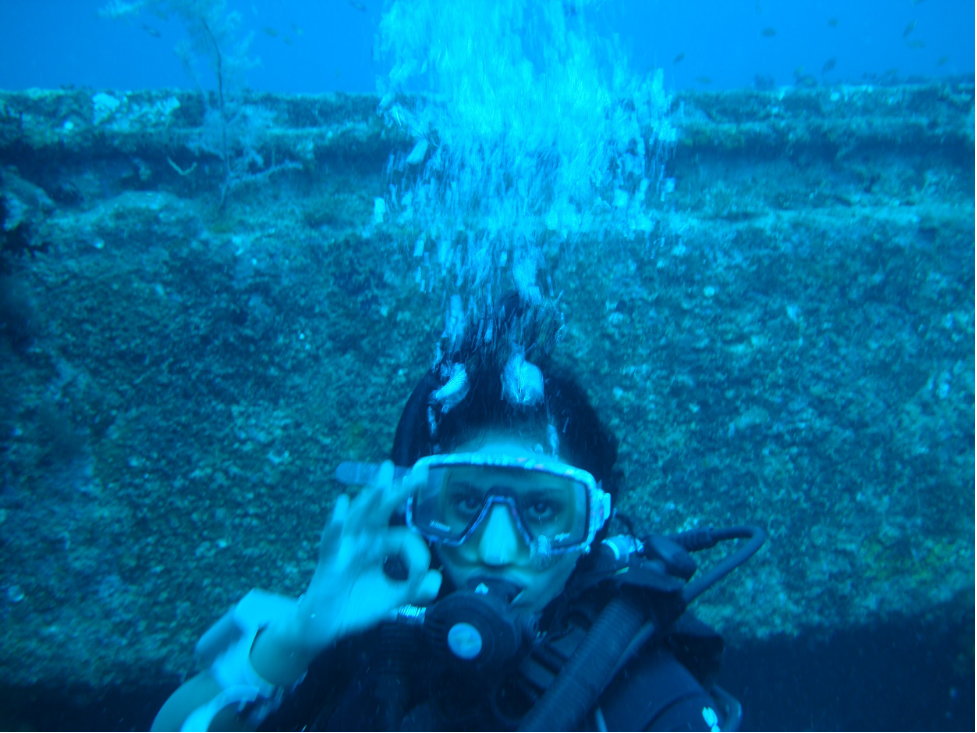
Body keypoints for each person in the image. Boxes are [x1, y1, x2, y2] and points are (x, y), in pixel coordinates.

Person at [152, 293, 761, 732]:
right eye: (464, 503)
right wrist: (295, 637)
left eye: (544, 510)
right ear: (415, 509)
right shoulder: (367, 642)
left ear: (593, 525)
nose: (494, 550)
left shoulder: (647, 702)